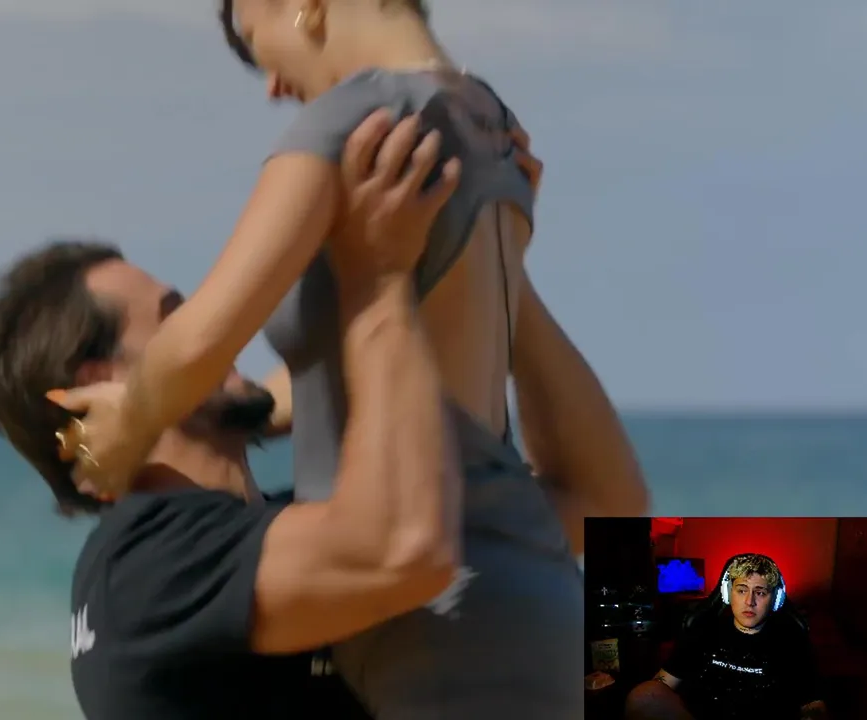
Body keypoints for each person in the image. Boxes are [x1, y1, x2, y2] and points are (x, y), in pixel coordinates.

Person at [51, 1, 647, 716]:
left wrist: (129, 424)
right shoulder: (487, 130)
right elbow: (607, 497)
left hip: (449, 625)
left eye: (254, 41)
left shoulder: (351, 126)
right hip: (539, 592)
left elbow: (204, 339)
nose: (273, 85)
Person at [0, 117, 461, 719]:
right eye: (174, 314)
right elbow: (404, 549)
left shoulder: (253, 532)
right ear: (101, 383)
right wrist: (377, 279)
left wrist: (505, 249)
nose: (211, 329)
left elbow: (580, 508)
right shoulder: (149, 567)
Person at [624, 554, 828, 720]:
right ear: (728, 593)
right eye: (741, 590)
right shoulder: (702, 632)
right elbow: (659, 687)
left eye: (760, 592)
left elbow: (813, 703)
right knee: (642, 696)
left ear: (775, 599)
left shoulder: (792, 642)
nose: (749, 601)